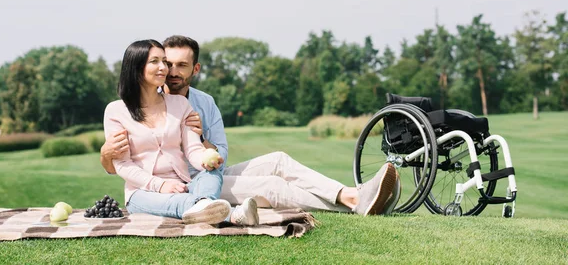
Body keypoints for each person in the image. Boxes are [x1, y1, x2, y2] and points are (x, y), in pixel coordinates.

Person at [102, 36, 400, 216]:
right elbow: (120, 161)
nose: (170, 71)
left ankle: (354, 196)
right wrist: (108, 155)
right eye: (167, 63)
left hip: (206, 173)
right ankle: (354, 198)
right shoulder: (126, 108)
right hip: (181, 185)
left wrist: (200, 136)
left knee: (279, 160)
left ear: (195, 69)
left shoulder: (201, 103)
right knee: (271, 186)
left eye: (179, 65)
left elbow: (218, 155)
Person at [103, 39, 259, 226]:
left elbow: (193, 149)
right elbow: (123, 164)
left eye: (164, 62)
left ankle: (204, 206)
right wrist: (160, 185)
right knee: (178, 202)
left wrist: (206, 158)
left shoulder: (180, 104)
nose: (164, 68)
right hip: (142, 192)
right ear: (136, 67)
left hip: (184, 185)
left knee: (211, 172)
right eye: (155, 62)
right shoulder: (116, 111)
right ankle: (234, 215)